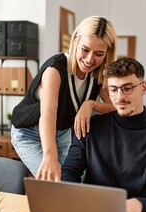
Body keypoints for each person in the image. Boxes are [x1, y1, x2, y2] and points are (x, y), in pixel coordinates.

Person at [61, 57, 146, 212]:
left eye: (127, 88)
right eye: (113, 89)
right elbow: (69, 171)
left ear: (143, 87)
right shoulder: (91, 127)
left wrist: (140, 205)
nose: (119, 97)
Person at [11, 16, 117, 181]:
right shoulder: (55, 69)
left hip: (62, 134)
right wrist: (50, 156)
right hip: (28, 132)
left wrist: (91, 104)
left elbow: (115, 107)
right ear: (75, 40)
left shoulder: (98, 73)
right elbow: (48, 114)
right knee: (55, 181)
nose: (90, 59)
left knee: (74, 182)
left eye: (99, 54)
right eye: (85, 49)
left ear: (107, 53)